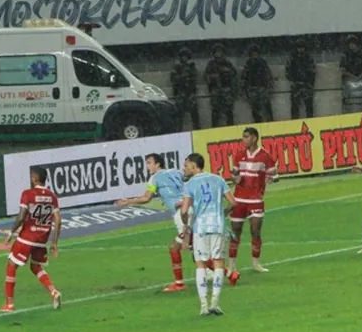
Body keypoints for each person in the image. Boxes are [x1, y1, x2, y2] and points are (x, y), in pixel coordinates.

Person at [116, 153, 190, 292]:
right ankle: (209, 273)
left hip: (181, 213)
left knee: (179, 247)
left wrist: (128, 201)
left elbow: (146, 198)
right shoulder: (176, 171)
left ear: (157, 164)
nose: (147, 166)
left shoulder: (154, 179)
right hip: (190, 207)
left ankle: (226, 272)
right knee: (193, 244)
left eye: (149, 163)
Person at [179, 152, 237, 316]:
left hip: (201, 228)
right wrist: (223, 213)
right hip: (218, 226)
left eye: (186, 165)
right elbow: (233, 202)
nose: (184, 168)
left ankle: (203, 305)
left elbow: (184, 210)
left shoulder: (189, 184)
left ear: (193, 165)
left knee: (201, 264)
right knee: (218, 262)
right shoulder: (218, 179)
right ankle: (215, 303)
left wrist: (186, 223)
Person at [0, 168, 63, 312]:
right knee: (35, 267)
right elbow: (58, 221)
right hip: (42, 239)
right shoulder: (52, 196)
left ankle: (9, 304)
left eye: (31, 177)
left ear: (34, 178)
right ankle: (53, 291)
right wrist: (54, 243)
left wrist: (11, 231)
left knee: (11, 265)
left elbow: (21, 217)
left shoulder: (28, 194)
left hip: (27, 237)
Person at [227, 127, 278, 276]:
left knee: (255, 231)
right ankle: (231, 265)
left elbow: (275, 175)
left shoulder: (265, 156)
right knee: (235, 232)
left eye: (246, 137)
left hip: (256, 199)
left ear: (254, 138)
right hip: (239, 199)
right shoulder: (239, 155)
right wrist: (235, 178)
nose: (243, 140)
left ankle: (256, 263)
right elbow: (233, 174)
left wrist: (271, 179)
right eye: (243, 137)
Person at [203, 44, 237, 127]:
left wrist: (226, 72)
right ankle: (214, 129)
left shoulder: (227, 63)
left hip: (226, 90)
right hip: (216, 90)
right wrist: (213, 77)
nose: (218, 54)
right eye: (216, 52)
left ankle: (231, 128)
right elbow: (206, 76)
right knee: (215, 111)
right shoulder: (211, 64)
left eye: (220, 52)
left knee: (228, 111)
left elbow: (233, 74)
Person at [241, 46, 273, 123]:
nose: (254, 55)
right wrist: (244, 90)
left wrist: (269, 87)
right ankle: (258, 123)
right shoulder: (248, 64)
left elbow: (268, 75)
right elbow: (244, 77)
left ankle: (270, 123)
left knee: (267, 108)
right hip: (253, 89)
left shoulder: (263, 63)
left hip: (263, 88)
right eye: (253, 54)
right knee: (255, 109)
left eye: (256, 53)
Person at [170, 48, 200, 129]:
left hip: (190, 94)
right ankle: (178, 132)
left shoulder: (191, 67)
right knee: (179, 116)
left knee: (195, 116)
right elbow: (173, 79)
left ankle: (197, 130)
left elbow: (195, 79)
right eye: (182, 56)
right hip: (181, 93)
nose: (184, 58)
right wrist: (182, 77)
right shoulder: (177, 67)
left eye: (186, 56)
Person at [287, 39, 316, 118]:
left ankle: (310, 122)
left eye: (302, 47)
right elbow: (288, 71)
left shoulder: (308, 58)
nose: (300, 49)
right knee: (295, 107)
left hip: (306, 85)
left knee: (309, 106)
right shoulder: (292, 58)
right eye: (299, 47)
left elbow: (313, 72)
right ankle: (295, 124)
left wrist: (309, 83)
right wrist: (294, 82)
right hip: (296, 85)